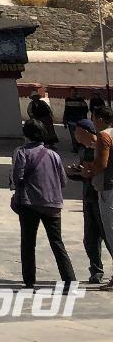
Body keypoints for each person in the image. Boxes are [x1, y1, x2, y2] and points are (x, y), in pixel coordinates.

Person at [10, 119, 76, 287]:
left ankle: (29, 281)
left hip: (29, 203)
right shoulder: (54, 155)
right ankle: (70, 280)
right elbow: (63, 181)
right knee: (57, 242)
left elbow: (18, 177)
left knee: (28, 242)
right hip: (53, 203)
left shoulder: (22, 153)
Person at [68, 118, 105, 285]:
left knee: (108, 236)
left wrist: (87, 173)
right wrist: (74, 172)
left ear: (87, 132)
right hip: (88, 197)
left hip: (102, 197)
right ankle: (96, 271)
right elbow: (84, 173)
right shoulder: (83, 150)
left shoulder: (102, 147)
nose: (75, 135)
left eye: (77, 132)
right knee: (90, 238)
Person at [87, 105, 113, 289]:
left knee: (111, 233)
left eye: (94, 118)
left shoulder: (105, 136)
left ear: (102, 119)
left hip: (108, 188)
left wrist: (87, 171)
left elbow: (102, 164)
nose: (93, 122)